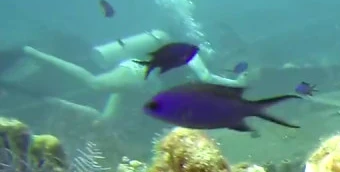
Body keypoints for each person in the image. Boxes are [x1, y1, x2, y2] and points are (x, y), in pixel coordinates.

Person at [15, 29, 243, 122]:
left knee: (105, 120)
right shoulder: (190, 54)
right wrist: (235, 83)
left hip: (142, 81)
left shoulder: (185, 55)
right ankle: (34, 53)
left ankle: (54, 101)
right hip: (138, 72)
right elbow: (206, 77)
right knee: (94, 84)